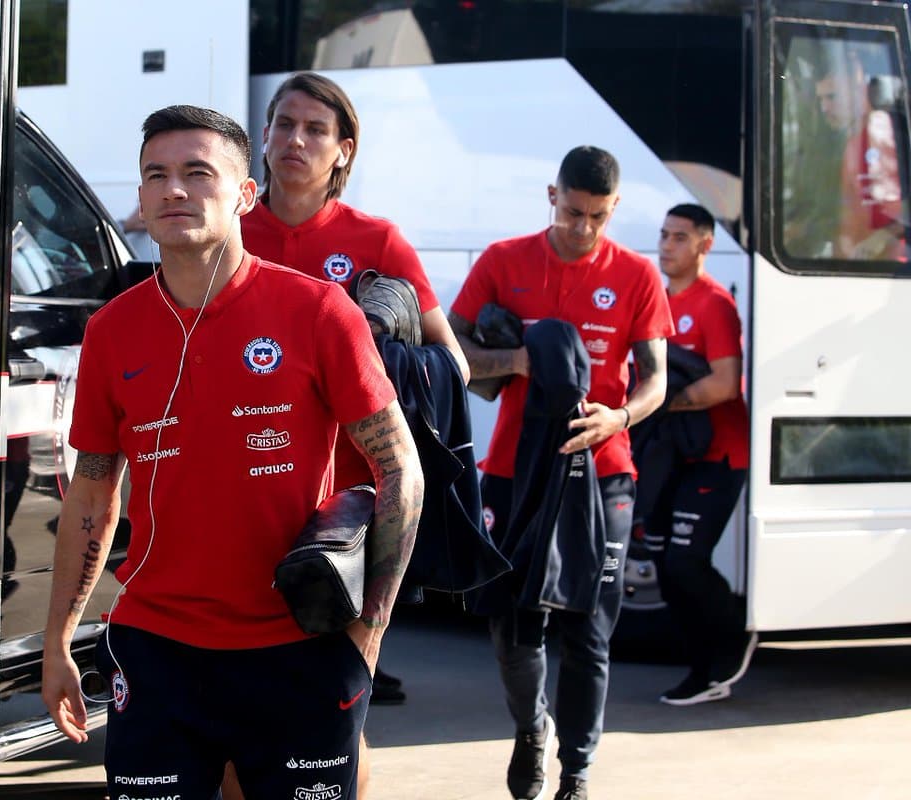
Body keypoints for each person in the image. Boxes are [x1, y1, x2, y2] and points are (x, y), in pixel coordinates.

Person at [40, 104, 424, 800]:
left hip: (298, 649)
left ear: (247, 194)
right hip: (158, 652)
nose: (173, 190)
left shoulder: (317, 312)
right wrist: (58, 638)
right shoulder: (112, 331)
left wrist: (369, 630)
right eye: (155, 175)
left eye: (196, 172)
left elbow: (401, 468)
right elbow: (94, 493)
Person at [448, 146, 672, 800]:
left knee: (589, 629)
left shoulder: (635, 275)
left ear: (614, 209)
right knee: (515, 622)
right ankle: (531, 728)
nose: (583, 229)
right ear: (552, 195)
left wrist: (620, 417)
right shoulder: (503, 261)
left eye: (597, 217)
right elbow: (452, 346)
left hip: (604, 480)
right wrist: (517, 359)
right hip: (516, 475)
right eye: (573, 212)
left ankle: (576, 771)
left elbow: (655, 380)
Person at [241, 70, 469, 705]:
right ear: (263, 136)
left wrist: (380, 347)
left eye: (316, 129)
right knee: (240, 710)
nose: (296, 139)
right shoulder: (228, 234)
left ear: (344, 151)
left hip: (341, 511)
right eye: (284, 124)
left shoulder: (376, 241)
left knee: (328, 710)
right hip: (241, 493)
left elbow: (453, 364)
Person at [649, 203, 755, 705]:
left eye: (680, 238)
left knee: (687, 562)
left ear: (705, 246)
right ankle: (701, 667)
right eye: (664, 236)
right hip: (676, 458)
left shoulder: (714, 303)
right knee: (668, 565)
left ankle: (730, 645)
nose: (667, 246)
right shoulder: (660, 298)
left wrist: (664, 403)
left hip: (721, 456)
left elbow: (726, 383)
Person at [813, 45, 905, 260]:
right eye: (821, 100)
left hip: (878, 272)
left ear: (857, 83)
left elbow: (900, 212)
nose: (824, 108)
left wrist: (879, 238)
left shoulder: (880, 132)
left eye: (832, 97)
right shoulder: (849, 139)